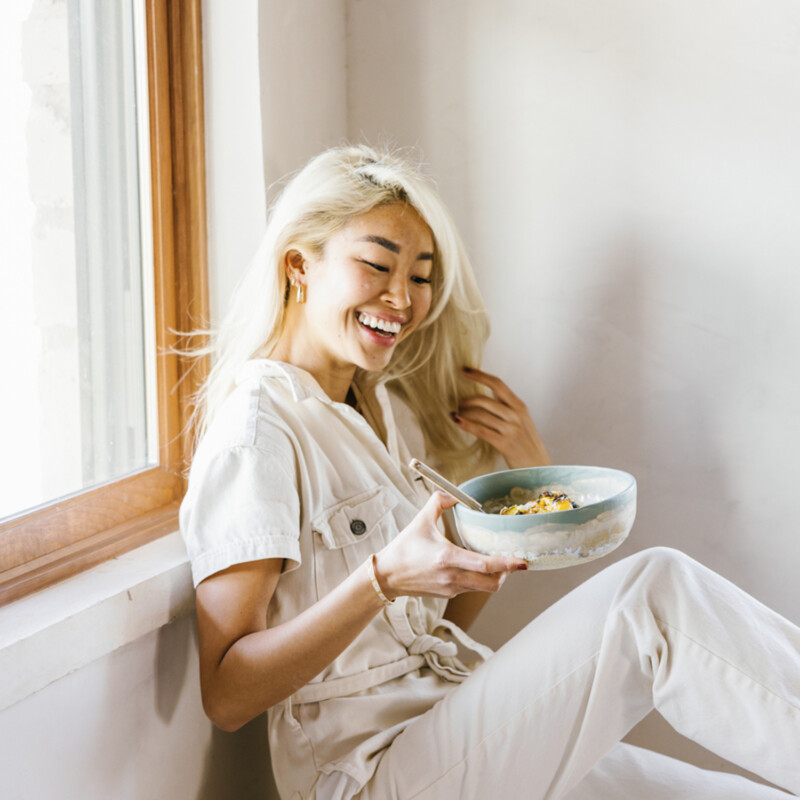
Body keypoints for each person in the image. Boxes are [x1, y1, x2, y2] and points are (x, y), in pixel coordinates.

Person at [179, 145, 800, 800]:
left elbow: (434, 627)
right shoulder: (257, 434)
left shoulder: (380, 410)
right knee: (655, 593)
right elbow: (228, 694)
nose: (403, 297)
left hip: (453, 727)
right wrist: (380, 579)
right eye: (376, 265)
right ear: (299, 265)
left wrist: (530, 484)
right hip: (370, 775)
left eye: (420, 275)